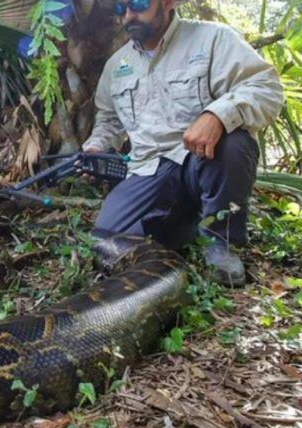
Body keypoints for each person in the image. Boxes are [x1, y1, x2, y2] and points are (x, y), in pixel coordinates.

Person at [83, 0, 284, 286]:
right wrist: (96, 146)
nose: (129, 16)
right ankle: (188, 223)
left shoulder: (213, 38)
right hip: (148, 169)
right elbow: (109, 120)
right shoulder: (117, 65)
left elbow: (266, 87)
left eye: (138, 4)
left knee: (234, 142)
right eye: (120, 8)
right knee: (107, 238)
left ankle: (222, 242)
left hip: (201, 158)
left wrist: (217, 115)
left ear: (169, 3)